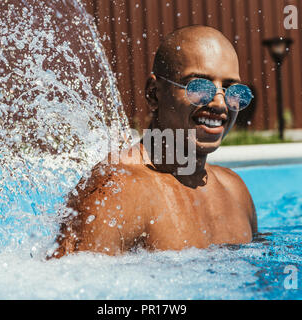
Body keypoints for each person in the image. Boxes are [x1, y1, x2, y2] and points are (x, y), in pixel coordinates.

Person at [51, 25, 257, 257]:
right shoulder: (115, 191)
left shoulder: (235, 190)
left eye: (231, 90)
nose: (220, 104)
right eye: (199, 87)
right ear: (153, 93)